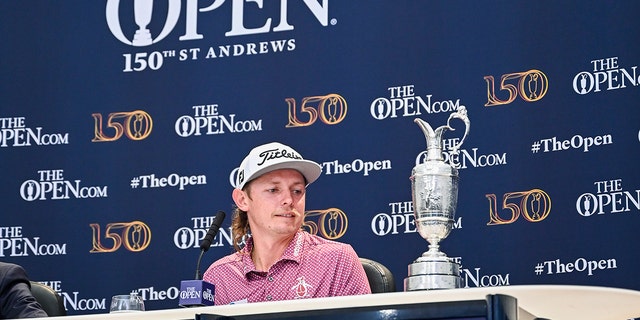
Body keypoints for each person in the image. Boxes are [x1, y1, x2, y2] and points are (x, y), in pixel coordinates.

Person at [203, 142, 371, 305]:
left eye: (297, 191)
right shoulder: (219, 277)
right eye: (273, 190)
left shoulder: (337, 260)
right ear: (242, 199)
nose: (289, 200)